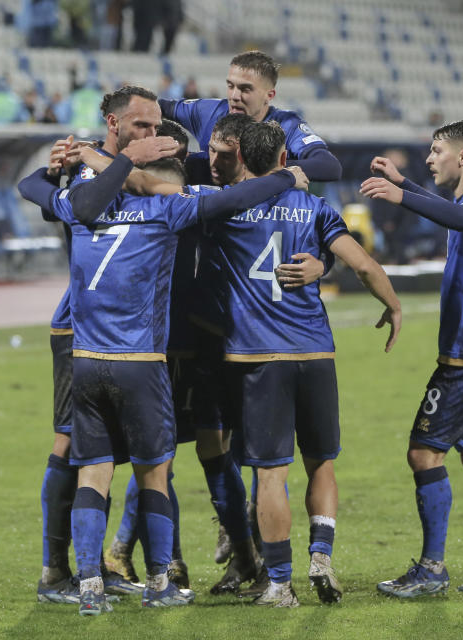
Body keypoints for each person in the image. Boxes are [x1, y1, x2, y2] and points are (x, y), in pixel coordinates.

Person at [19, 126, 309, 617]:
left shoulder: (78, 205)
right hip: (142, 363)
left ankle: (89, 583)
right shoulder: (165, 210)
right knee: (155, 473)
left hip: (87, 361)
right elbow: (235, 197)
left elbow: (33, 188)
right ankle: (160, 581)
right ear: (154, 182)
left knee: (94, 470)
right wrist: (286, 177)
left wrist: (79, 159)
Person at [197, 121, 401, 607]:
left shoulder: (225, 206)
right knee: (322, 463)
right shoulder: (315, 207)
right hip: (315, 352)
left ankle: (280, 582)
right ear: (287, 157)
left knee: (271, 475)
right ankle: (322, 555)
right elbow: (365, 266)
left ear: (242, 156)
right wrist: (392, 307)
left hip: (257, 357)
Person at [361, 120, 463, 597]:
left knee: (423, 452)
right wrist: (404, 183)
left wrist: (402, 197)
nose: (430, 159)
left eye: (437, 151)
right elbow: (453, 212)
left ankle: (433, 569)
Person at [31, 86, 180, 606]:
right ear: (114, 126)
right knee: (74, 446)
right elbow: (40, 188)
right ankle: (56, 571)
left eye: (156, 125)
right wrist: (61, 170)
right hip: (81, 329)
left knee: (137, 454)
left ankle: (101, 566)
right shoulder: (90, 171)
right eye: (141, 127)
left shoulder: (129, 161)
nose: (151, 136)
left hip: (134, 334)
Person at [158, 50, 342, 183]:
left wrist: (264, 165)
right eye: (231, 86)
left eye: (245, 89)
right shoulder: (207, 111)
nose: (234, 96)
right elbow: (156, 106)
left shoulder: (286, 124)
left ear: (269, 95)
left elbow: (329, 166)